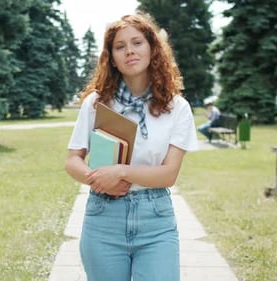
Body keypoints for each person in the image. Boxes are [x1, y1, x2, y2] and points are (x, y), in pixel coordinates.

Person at [65, 13, 198, 281]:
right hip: (103, 218)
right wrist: (98, 179)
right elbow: (72, 160)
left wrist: (121, 172)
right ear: (111, 56)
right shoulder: (97, 103)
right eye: (120, 46)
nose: (130, 51)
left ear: (152, 48)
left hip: (156, 221)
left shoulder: (177, 107)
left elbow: (168, 174)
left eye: (137, 42)